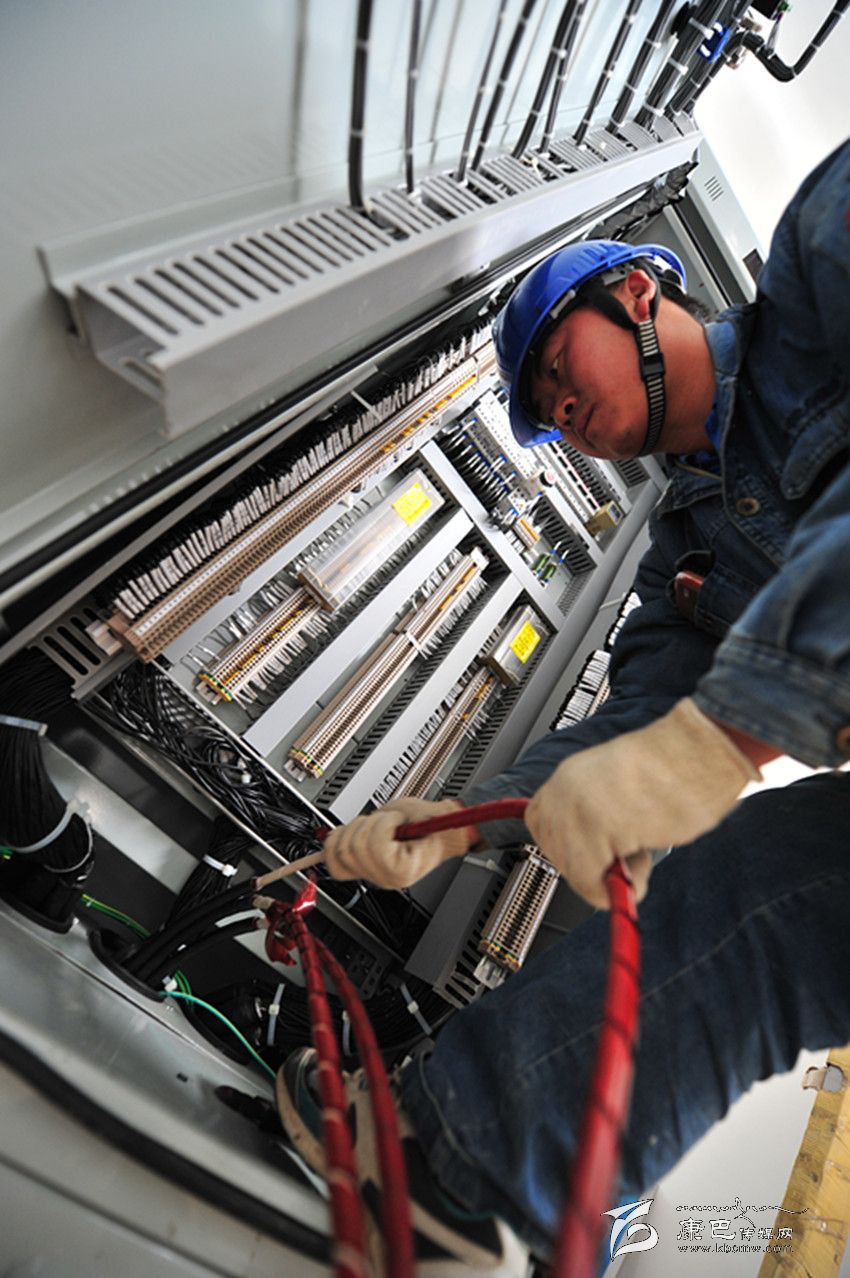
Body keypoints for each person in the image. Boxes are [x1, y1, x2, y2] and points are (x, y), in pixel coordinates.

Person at [279, 141, 850, 1276]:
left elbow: (693, 742)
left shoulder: (819, 267)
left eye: (551, 366)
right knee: (761, 891)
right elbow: (638, 731)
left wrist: (725, 734)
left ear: (635, 290)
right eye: (541, 412)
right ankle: (465, 1181)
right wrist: (449, 822)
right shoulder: (688, 553)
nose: (559, 409)